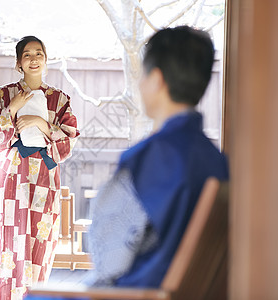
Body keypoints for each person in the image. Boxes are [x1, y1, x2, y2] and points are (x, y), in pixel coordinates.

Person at [86, 25, 229, 289]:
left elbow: (108, 261)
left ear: (158, 80)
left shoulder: (146, 159)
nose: (140, 84)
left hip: (139, 292)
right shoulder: (218, 162)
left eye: (144, 75)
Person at [0, 35, 79, 299]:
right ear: (18, 63)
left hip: (45, 175)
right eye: (27, 54)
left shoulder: (60, 100)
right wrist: (11, 110)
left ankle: (35, 295)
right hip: (13, 172)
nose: (34, 58)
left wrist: (41, 122)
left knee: (42, 238)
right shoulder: (3, 95)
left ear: (46, 60)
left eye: (39, 53)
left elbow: (68, 142)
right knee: (12, 240)